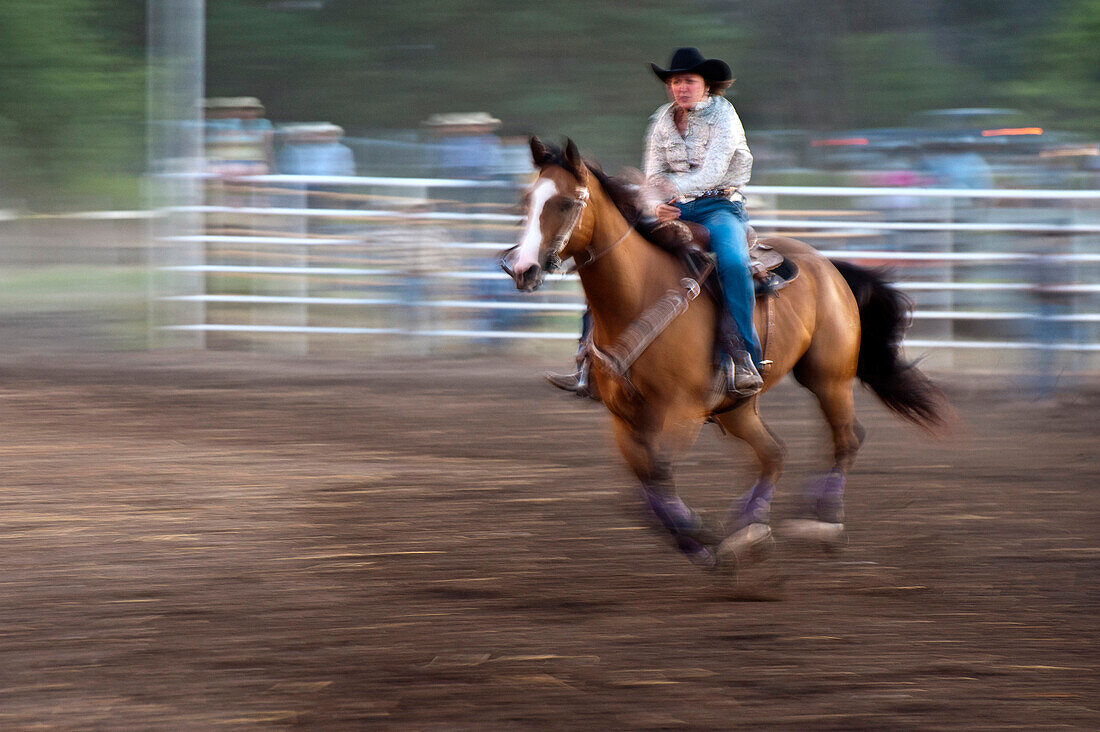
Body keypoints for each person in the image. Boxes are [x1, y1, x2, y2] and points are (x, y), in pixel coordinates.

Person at [548, 47, 764, 397]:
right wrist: (654, 203)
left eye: (689, 81)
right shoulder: (662, 120)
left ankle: (744, 356)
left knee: (734, 262)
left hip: (720, 207)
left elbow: (713, 171)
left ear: (706, 86)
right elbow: (652, 173)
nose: (681, 87)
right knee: (612, 253)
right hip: (671, 205)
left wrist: (667, 191)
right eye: (675, 81)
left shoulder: (725, 117)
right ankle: (588, 359)